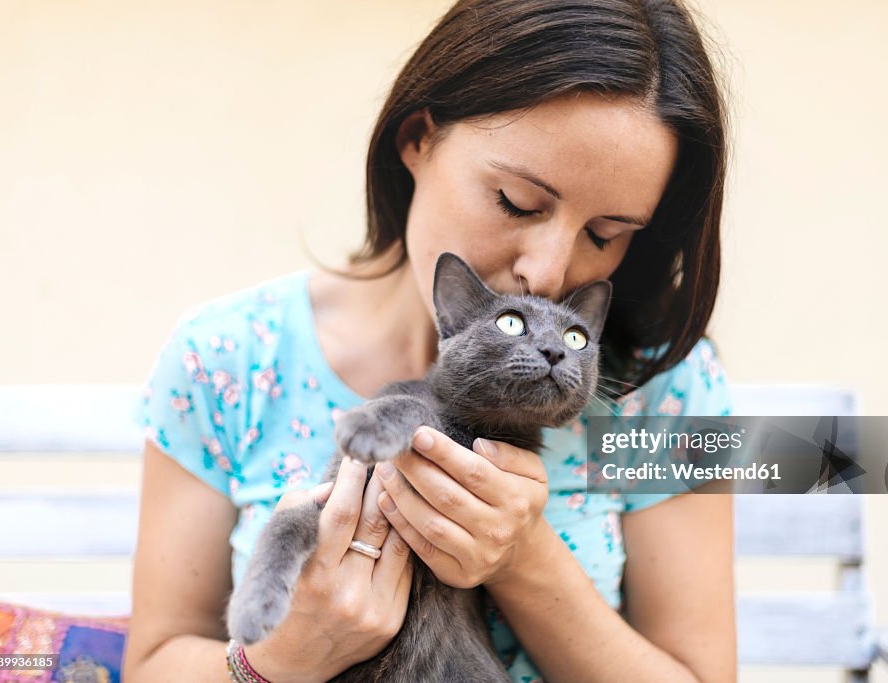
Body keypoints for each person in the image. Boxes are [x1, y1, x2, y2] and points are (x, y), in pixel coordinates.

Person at [121, 0, 737, 681]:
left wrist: (523, 558)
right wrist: (286, 656)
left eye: (605, 234)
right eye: (518, 201)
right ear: (418, 136)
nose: (551, 271)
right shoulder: (228, 358)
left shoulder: (661, 386)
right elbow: (153, 661)